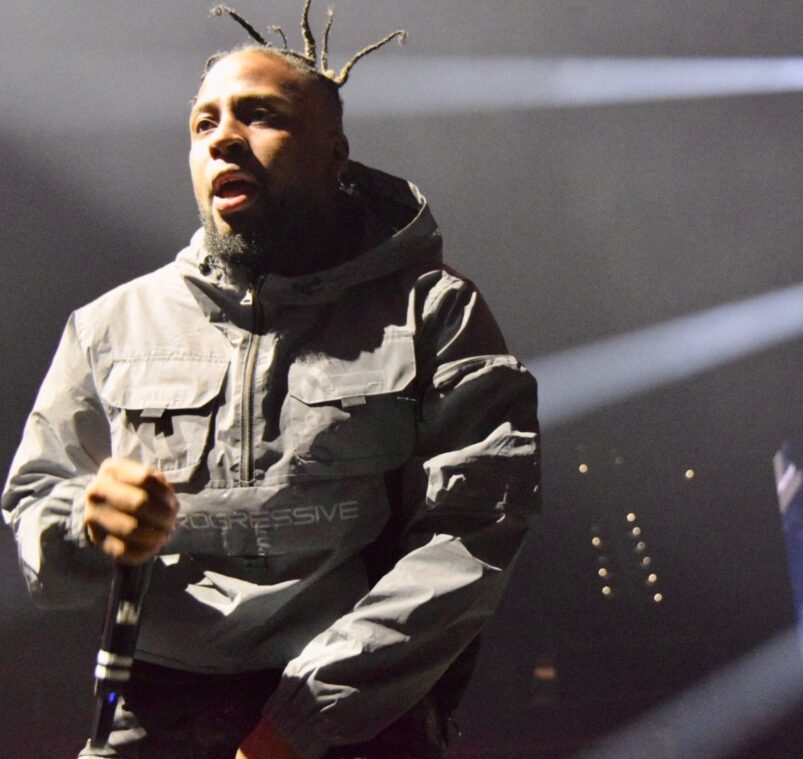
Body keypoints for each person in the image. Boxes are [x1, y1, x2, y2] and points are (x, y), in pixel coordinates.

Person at [1, 3, 540, 758]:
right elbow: (37, 506)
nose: (222, 138)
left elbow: (470, 534)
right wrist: (84, 523)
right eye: (203, 124)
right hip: (150, 711)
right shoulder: (109, 325)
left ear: (334, 153)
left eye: (260, 116)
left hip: (354, 718)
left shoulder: (433, 311)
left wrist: (297, 726)